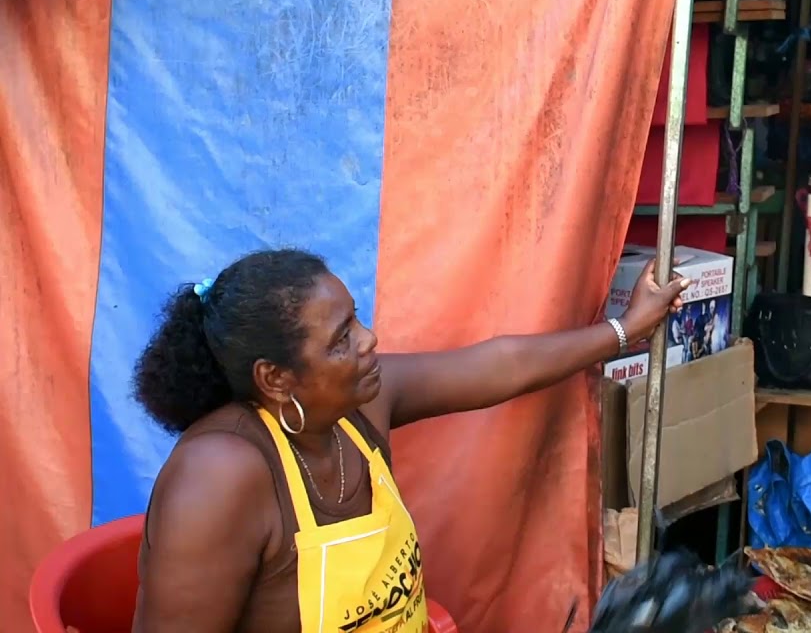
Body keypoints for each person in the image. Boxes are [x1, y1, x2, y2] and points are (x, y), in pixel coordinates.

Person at [130, 248, 689, 633]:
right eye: (341, 340)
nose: (369, 340)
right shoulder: (221, 475)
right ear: (275, 378)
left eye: (356, 320)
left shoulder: (358, 407)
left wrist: (627, 330)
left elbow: (499, 366)